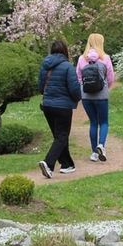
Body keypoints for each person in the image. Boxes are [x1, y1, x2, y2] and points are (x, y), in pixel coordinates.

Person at [37, 38, 81, 178]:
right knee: (62, 136)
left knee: (59, 136)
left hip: (47, 105)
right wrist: (77, 98)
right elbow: (74, 89)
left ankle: (67, 164)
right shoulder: (68, 66)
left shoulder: (45, 65)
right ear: (65, 51)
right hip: (62, 106)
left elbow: (40, 87)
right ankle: (48, 163)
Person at [76, 33, 116, 162]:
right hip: (101, 94)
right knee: (104, 122)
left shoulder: (82, 59)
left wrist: (83, 88)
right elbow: (110, 77)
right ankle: (101, 146)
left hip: (86, 95)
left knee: (93, 122)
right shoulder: (105, 58)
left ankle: (94, 152)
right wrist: (106, 87)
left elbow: (79, 78)